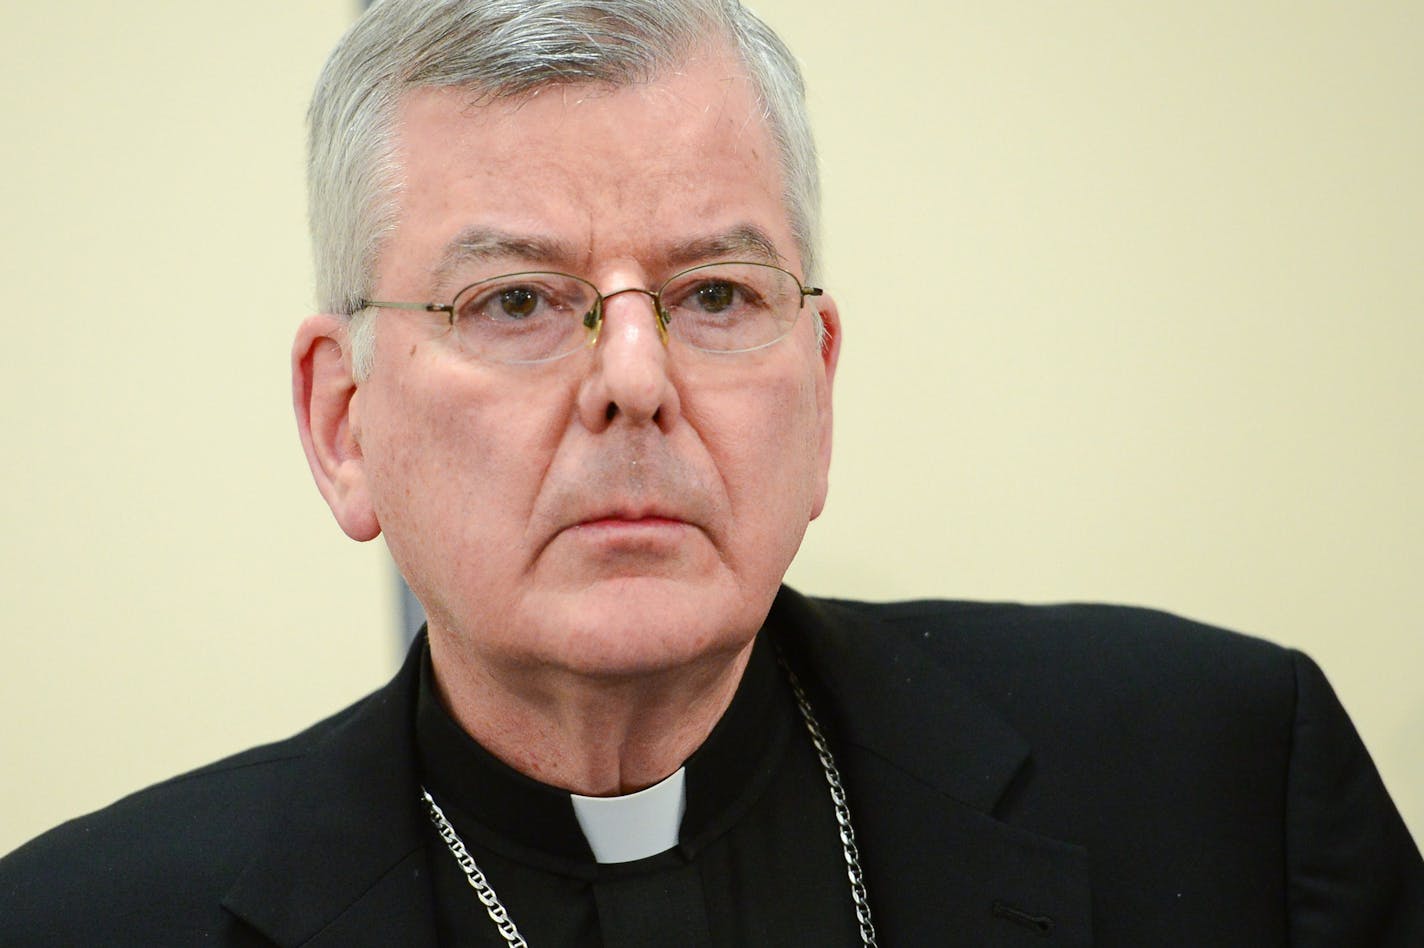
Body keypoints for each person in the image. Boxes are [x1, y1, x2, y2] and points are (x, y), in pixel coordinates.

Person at [2, 0, 1420, 943]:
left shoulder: (1222, 777)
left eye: (719, 295)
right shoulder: (81, 926)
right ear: (341, 422)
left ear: (820, 382)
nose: (635, 378)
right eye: (514, 302)